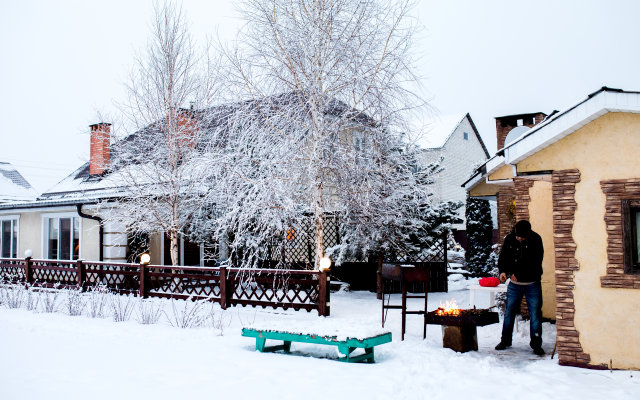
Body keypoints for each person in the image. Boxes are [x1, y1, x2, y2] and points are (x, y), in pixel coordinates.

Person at [495, 220, 545, 356]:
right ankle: (505, 340)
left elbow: (535, 263)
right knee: (509, 312)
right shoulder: (510, 239)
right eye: (518, 236)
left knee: (535, 314)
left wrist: (518, 274)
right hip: (514, 285)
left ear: (528, 234)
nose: (519, 238)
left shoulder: (536, 240)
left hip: (532, 283)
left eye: (522, 237)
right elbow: (503, 257)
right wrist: (504, 272)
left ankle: (536, 344)